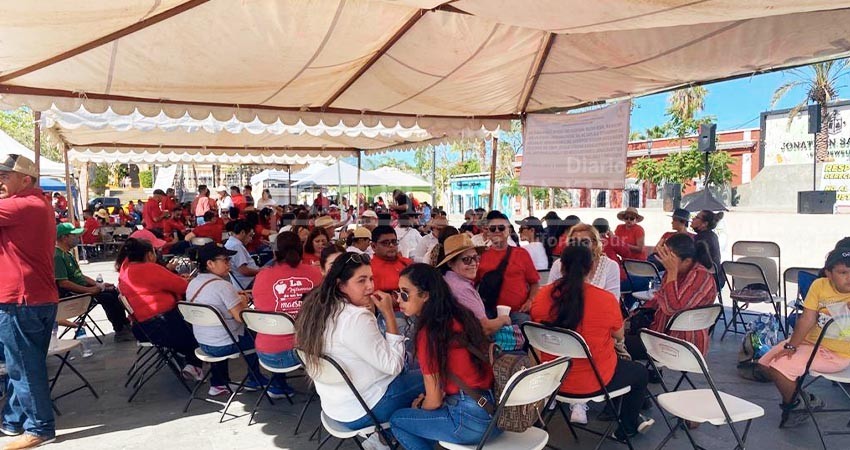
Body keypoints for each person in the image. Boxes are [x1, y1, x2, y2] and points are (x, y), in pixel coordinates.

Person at [531, 245, 653, 438]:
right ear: (592, 267)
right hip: (595, 381)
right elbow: (619, 337)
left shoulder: (542, 296)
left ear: (561, 267)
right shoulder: (604, 299)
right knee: (639, 372)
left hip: (553, 380)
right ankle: (627, 428)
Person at [294, 252, 423, 434]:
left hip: (336, 407)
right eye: (361, 281)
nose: (370, 286)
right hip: (364, 410)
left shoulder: (318, 308)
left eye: (371, 279)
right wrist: (389, 315)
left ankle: (390, 435)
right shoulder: (355, 317)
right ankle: (399, 433)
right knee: (434, 378)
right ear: (341, 285)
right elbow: (394, 365)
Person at [390, 264, 499, 450]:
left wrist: (420, 409)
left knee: (398, 420)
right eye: (397, 292)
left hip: (470, 421)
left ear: (425, 295)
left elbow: (434, 400)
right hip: (497, 414)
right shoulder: (461, 315)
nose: (399, 299)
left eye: (405, 293)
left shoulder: (429, 333)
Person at [0, 154, 61, 448]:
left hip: (21, 300)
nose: (0, 181)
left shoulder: (20, 205)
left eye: (5, 176)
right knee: (24, 364)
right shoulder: (38, 204)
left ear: (25, 180)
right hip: (35, 298)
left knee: (24, 368)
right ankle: (13, 421)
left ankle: (39, 427)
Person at [759, 247, 850, 427]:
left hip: (838, 354)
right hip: (811, 342)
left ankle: (795, 405)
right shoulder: (819, 285)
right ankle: (805, 399)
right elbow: (807, 318)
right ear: (829, 274)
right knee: (764, 364)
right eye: (843, 272)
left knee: (780, 368)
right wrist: (792, 346)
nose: (849, 277)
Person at [115, 238, 203, 381]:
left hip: (142, 328)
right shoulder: (149, 268)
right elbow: (183, 287)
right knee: (200, 325)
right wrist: (184, 280)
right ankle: (194, 364)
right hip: (163, 327)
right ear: (150, 254)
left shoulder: (125, 270)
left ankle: (188, 361)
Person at [187, 243, 268, 396]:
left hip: (204, 342)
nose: (229, 264)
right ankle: (255, 378)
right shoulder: (223, 286)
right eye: (225, 260)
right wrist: (243, 302)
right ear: (210, 264)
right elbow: (241, 318)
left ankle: (218, 383)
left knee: (222, 332)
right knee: (258, 335)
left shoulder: (193, 283)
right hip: (223, 345)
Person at [625, 233, 718, 361]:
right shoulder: (676, 273)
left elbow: (673, 308)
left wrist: (672, 272)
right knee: (614, 338)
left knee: (617, 346)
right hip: (661, 334)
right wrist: (632, 316)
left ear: (687, 261)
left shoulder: (701, 277)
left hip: (681, 344)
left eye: (670, 259)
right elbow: (659, 300)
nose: (666, 262)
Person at [251, 232, 322, 397]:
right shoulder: (314, 274)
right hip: (302, 352)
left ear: (275, 253)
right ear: (301, 250)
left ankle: (277, 385)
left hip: (266, 353)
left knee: (276, 327)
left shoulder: (262, 276)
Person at [54, 223, 134, 341]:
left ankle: (125, 324)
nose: (77, 238)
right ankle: (119, 330)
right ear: (64, 238)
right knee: (107, 297)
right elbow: (64, 283)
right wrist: (89, 290)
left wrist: (98, 285)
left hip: (83, 288)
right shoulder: (57, 256)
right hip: (73, 294)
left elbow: (80, 276)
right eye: (73, 235)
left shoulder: (68, 254)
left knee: (114, 291)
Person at [439, 235, 511, 335]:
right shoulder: (461, 288)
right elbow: (485, 328)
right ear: (450, 263)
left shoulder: (447, 279)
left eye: (476, 258)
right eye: (467, 260)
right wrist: (503, 319)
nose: (474, 263)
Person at [475, 211, 540, 323]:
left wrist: (530, 301)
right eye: (492, 229)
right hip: (489, 312)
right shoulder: (480, 256)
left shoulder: (521, 253)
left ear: (509, 231)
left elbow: (534, 283)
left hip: (517, 312)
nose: (497, 231)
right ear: (488, 232)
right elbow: (472, 284)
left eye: (501, 228)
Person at [548, 223, 621, 299]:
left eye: (585, 242)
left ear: (594, 244)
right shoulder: (559, 264)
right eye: (573, 242)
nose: (578, 246)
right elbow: (550, 295)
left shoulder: (610, 266)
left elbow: (613, 300)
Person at [691, 210, 724, 286]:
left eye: (697, 217)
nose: (693, 219)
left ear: (704, 224)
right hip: (718, 278)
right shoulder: (712, 235)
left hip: (708, 279)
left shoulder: (700, 239)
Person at [224, 220, 260, 290]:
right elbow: (244, 271)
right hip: (248, 282)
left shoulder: (231, 243)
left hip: (246, 280)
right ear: (243, 232)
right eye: (250, 235)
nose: (250, 239)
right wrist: (261, 271)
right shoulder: (236, 246)